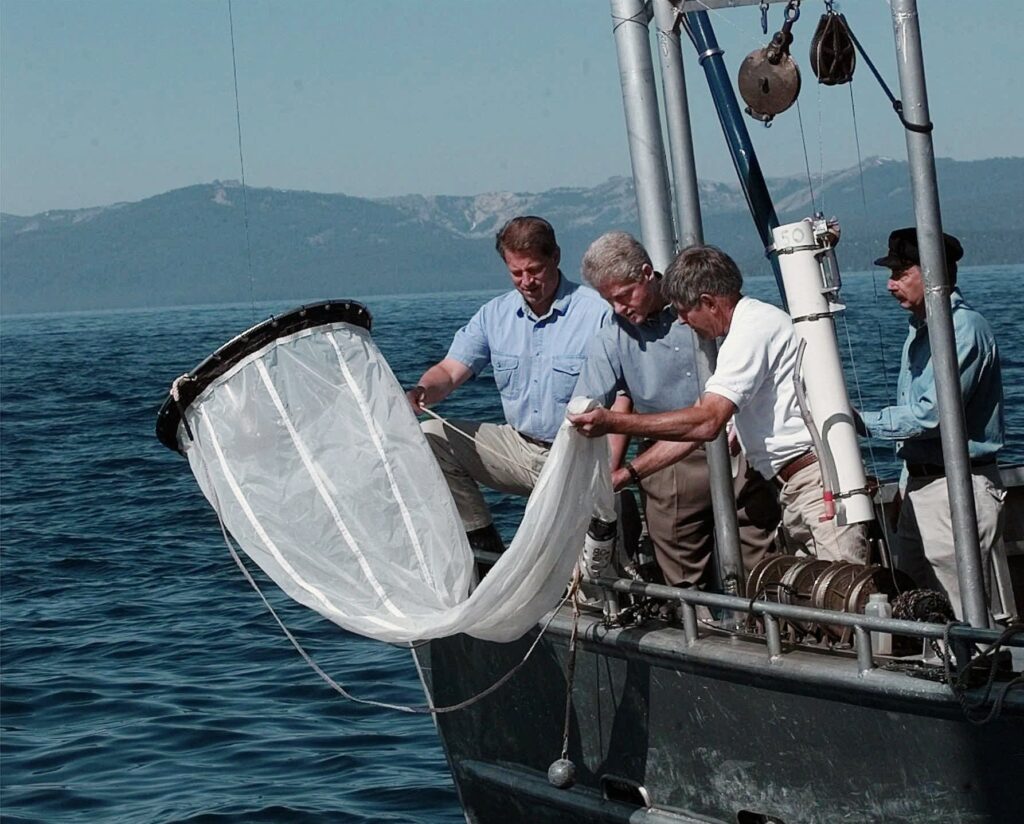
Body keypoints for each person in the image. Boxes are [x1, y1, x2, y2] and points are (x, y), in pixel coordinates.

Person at [569, 244, 869, 564]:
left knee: (842, 596)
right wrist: (624, 476)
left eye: (684, 311)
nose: (682, 322)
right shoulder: (744, 332)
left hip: (815, 485)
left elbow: (706, 421)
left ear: (709, 303)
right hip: (796, 487)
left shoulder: (750, 331)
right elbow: (702, 427)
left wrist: (611, 422)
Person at [574, 232, 779, 588]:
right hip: (666, 462)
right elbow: (586, 401)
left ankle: (763, 628)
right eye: (610, 301)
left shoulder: (704, 304)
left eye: (624, 296)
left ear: (646, 273)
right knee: (682, 573)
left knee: (759, 556)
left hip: (738, 446)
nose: (619, 308)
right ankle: (698, 632)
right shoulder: (612, 335)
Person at [406, 216, 611, 553]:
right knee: (431, 438)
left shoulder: (597, 313)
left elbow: (622, 398)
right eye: (517, 273)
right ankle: (484, 548)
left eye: (535, 270)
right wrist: (421, 391)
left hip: (578, 455)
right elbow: (451, 370)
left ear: (555, 258)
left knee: (583, 570)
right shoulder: (494, 315)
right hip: (519, 448)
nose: (526, 281)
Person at [857, 227, 1005, 619]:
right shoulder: (921, 329)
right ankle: (937, 671)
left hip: (956, 486)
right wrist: (908, 485)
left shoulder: (961, 329)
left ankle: (975, 670)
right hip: (924, 485)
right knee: (916, 599)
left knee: (960, 606)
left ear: (934, 272)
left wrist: (860, 421)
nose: (891, 284)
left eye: (901, 272)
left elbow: (932, 413)